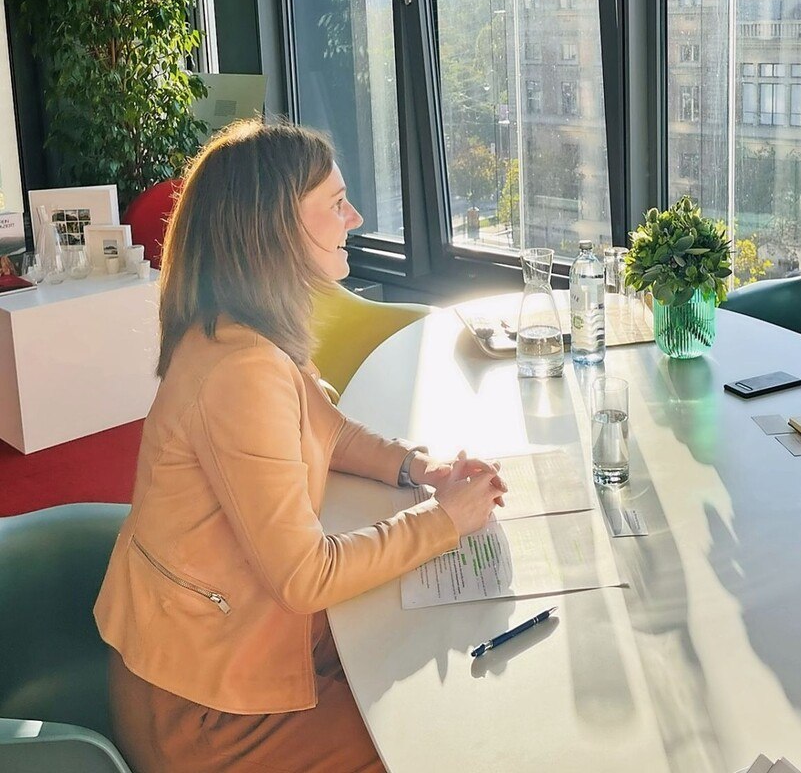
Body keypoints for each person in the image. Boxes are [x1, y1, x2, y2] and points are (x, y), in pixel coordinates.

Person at [95, 121, 507, 773]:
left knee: (429, 666)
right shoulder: (240, 369)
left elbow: (327, 427)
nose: (357, 215)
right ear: (278, 229)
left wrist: (414, 465)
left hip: (234, 647)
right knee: (436, 738)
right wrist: (443, 520)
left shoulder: (243, 329)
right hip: (210, 712)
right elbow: (304, 576)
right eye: (336, 202)